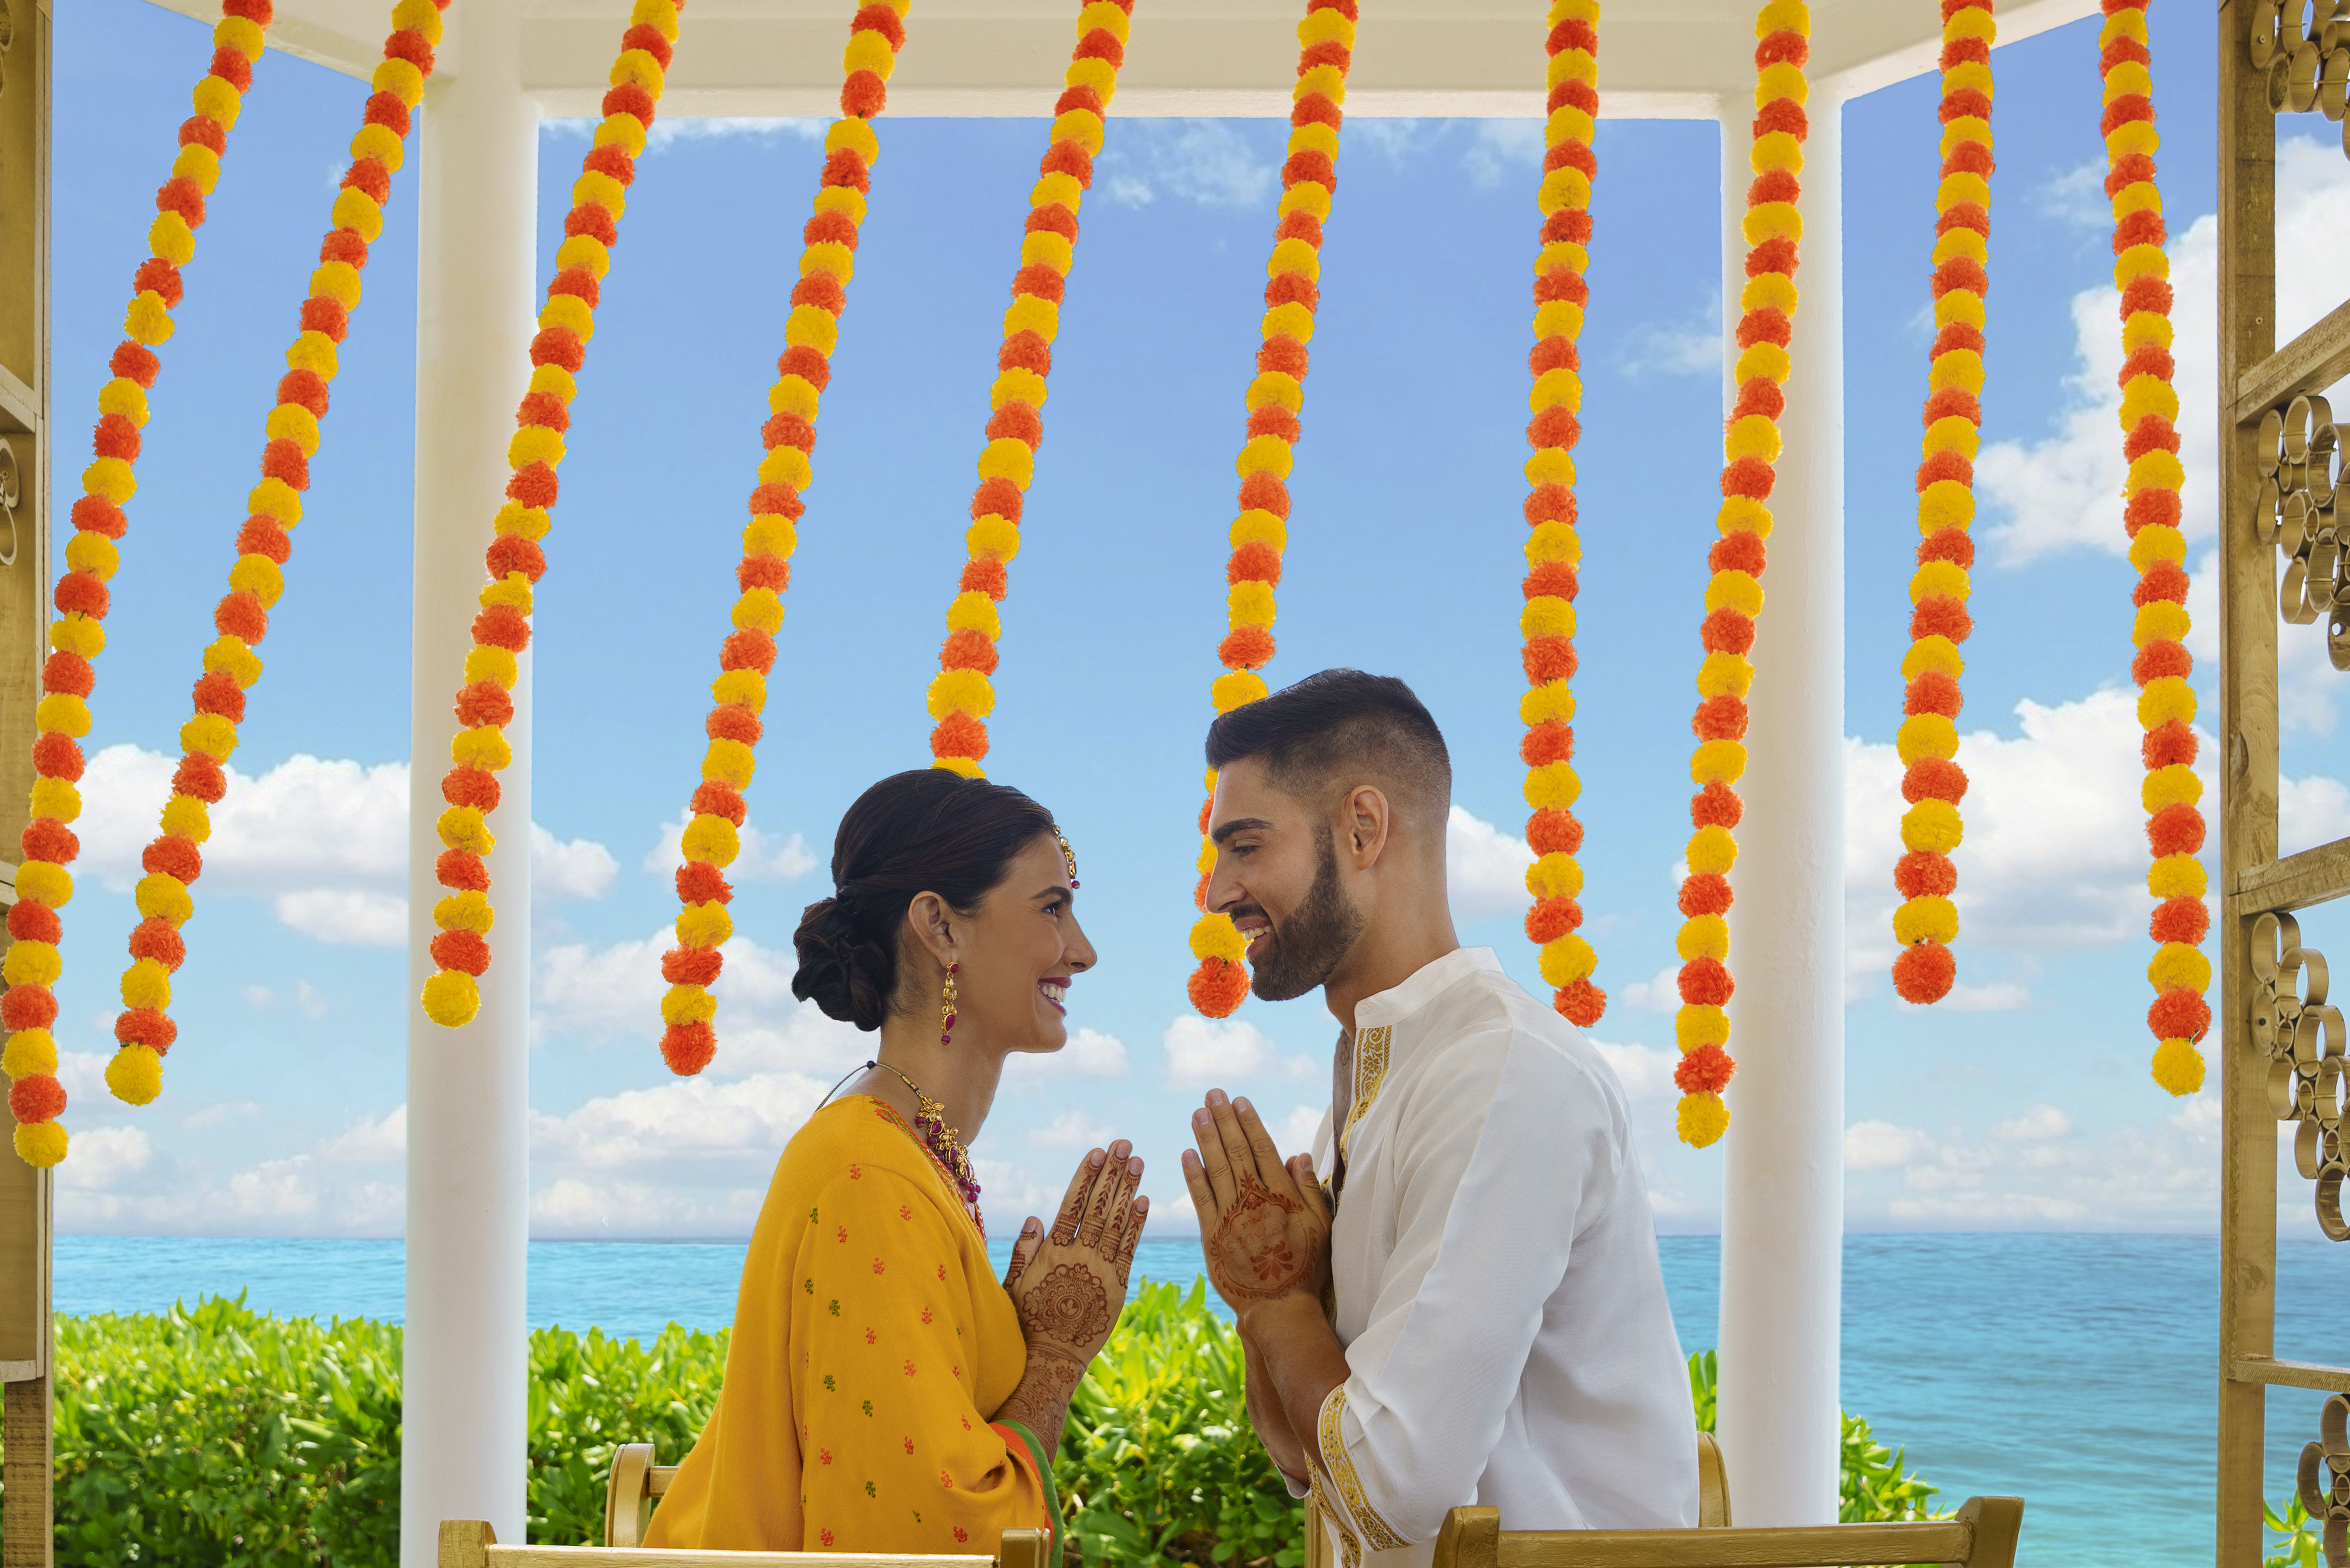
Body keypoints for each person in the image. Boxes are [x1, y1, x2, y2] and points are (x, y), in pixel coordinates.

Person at [1178, 669, 1696, 1566]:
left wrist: (1272, 1299)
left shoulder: (1501, 1072)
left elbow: (1394, 1489)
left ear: (1362, 828)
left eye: (1246, 845)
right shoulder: (1372, 1084)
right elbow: (1305, 1455)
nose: (1218, 890)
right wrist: (1278, 1307)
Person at [646, 769, 1149, 1554]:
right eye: (1053, 908)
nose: (1081, 952)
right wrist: (1052, 1362)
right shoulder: (871, 1177)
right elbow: (929, 1540)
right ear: (941, 928)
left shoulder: (905, 1149)